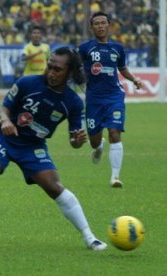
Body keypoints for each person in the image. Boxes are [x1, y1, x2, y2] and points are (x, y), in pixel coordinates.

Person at [0, 47, 107, 251]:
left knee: (54, 186)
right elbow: (4, 108)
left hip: (33, 146)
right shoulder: (28, 83)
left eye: (57, 69)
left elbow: (74, 141)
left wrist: (78, 140)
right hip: (6, 138)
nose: (51, 72)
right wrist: (5, 121)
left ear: (70, 72)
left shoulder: (73, 103)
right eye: (50, 67)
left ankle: (90, 237)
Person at [78, 11, 143, 188]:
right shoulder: (85, 48)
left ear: (108, 25)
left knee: (115, 132)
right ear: (91, 27)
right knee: (94, 140)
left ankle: (115, 177)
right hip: (93, 99)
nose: (100, 26)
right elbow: (77, 69)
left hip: (114, 96)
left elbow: (122, 68)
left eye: (103, 23)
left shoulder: (118, 48)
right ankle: (99, 147)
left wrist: (134, 79)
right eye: (96, 23)